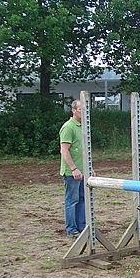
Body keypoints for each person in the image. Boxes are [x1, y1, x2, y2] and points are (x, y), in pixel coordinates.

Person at [59, 100, 86, 237]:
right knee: (72, 200)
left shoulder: (84, 126)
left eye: (85, 109)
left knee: (82, 199)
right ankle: (71, 229)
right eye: (81, 109)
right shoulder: (68, 127)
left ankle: (82, 226)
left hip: (83, 171)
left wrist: (88, 167)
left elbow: (85, 150)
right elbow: (64, 151)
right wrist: (73, 168)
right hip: (72, 172)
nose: (84, 111)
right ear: (74, 110)